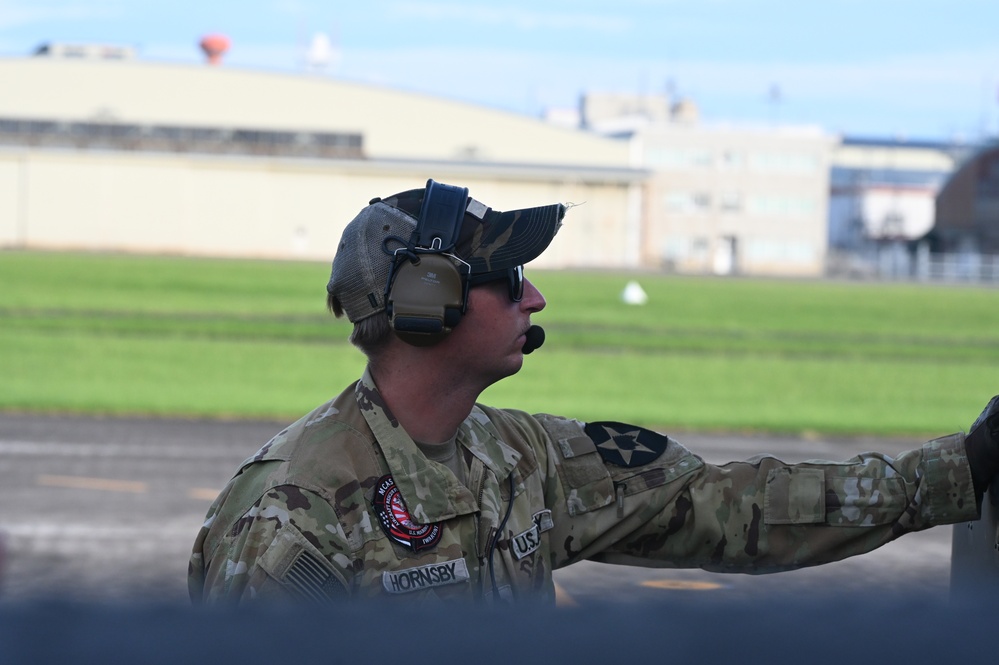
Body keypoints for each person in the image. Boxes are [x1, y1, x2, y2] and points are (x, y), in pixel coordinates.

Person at [188, 179, 999, 605]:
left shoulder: (522, 456)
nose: (533, 298)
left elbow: (726, 506)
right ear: (424, 303)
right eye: (506, 278)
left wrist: (958, 467)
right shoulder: (293, 512)